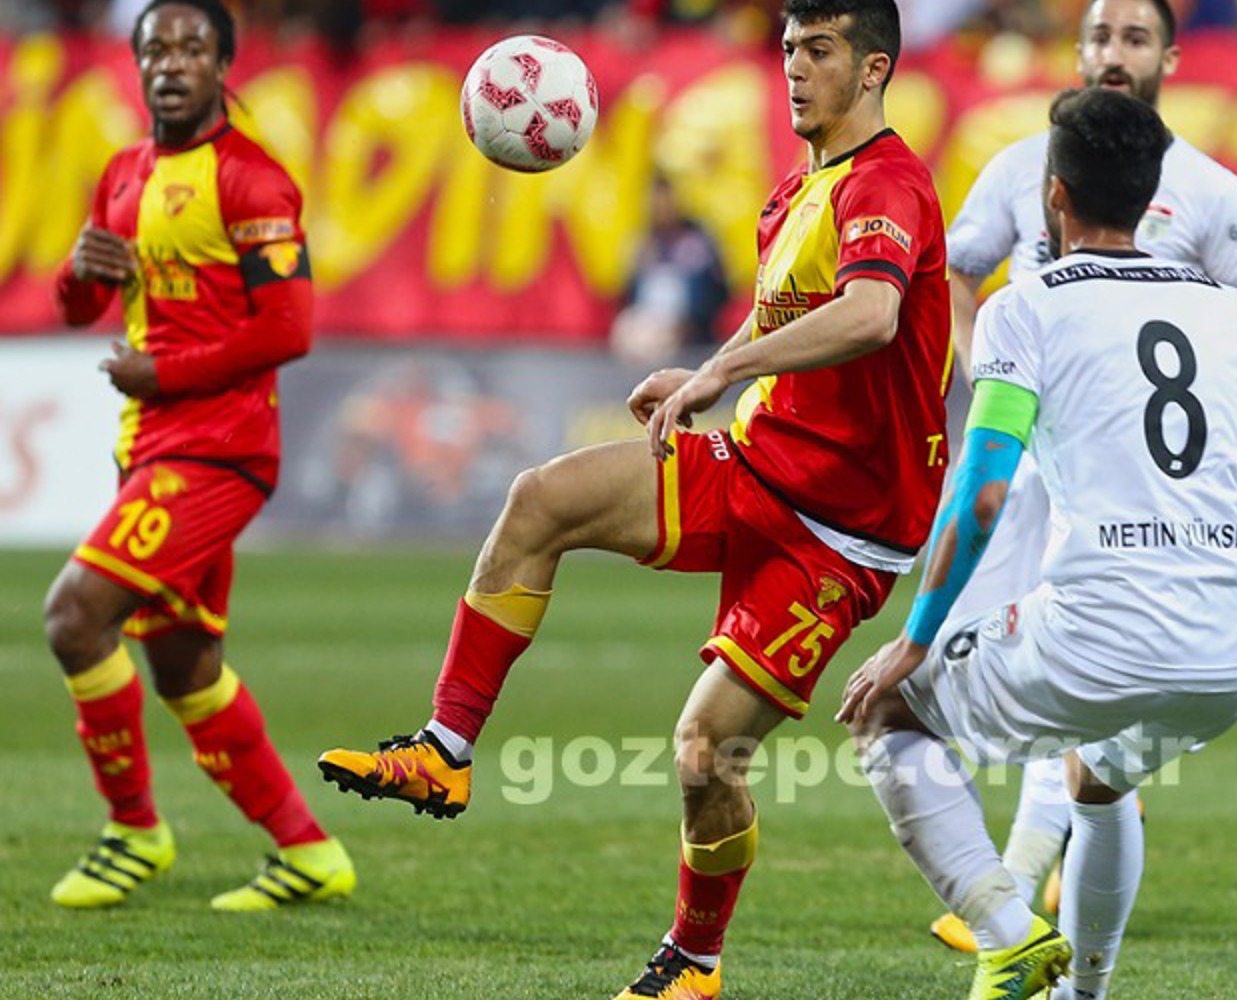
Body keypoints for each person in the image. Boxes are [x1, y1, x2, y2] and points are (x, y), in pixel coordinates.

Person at [317, 2, 950, 996]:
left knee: (704, 753)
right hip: (759, 462)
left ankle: (695, 961)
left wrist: (722, 373)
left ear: (873, 69)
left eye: (819, 51)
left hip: (841, 531)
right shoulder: (798, 190)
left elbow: (870, 314)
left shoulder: (889, 183)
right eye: (788, 49)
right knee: (540, 500)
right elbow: (780, 314)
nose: (795, 69)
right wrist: (709, 369)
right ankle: (444, 749)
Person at [837, 87, 1237, 1000]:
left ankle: (1006, 937)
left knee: (886, 716)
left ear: (1055, 195)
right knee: (1099, 779)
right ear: (1152, 200)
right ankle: (1084, 994)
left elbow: (984, 490)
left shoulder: (1024, 307)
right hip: (1232, 655)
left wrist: (915, 640)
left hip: (1102, 634)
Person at [929, 0, 1237, 954]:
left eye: (1134, 37)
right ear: (1077, 48)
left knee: (1058, 677)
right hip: (1030, 463)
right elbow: (955, 272)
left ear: (1170, 54)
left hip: (1133, 482)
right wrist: (988, 373)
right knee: (1012, 662)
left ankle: (1013, 885)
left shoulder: (1211, 192)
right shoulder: (1016, 166)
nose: (1113, 53)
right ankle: (1050, 871)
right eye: (1098, 35)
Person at [46, 0, 354, 912]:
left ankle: (134, 831)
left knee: (74, 617)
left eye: (191, 48)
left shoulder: (252, 180)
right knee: (183, 666)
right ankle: (308, 852)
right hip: (151, 445)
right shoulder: (123, 174)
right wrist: (78, 272)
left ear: (223, 65)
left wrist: (164, 372)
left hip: (220, 451)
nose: (171, 63)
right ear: (137, 63)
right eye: (156, 49)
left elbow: (289, 328)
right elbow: (80, 308)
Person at [609, 171, 730, 365]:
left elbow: (717, 292)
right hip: (646, 321)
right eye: (656, 204)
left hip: (685, 327)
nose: (662, 209)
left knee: (657, 341)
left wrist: (691, 323)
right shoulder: (644, 242)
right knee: (627, 328)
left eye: (666, 202)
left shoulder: (697, 240)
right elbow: (628, 292)